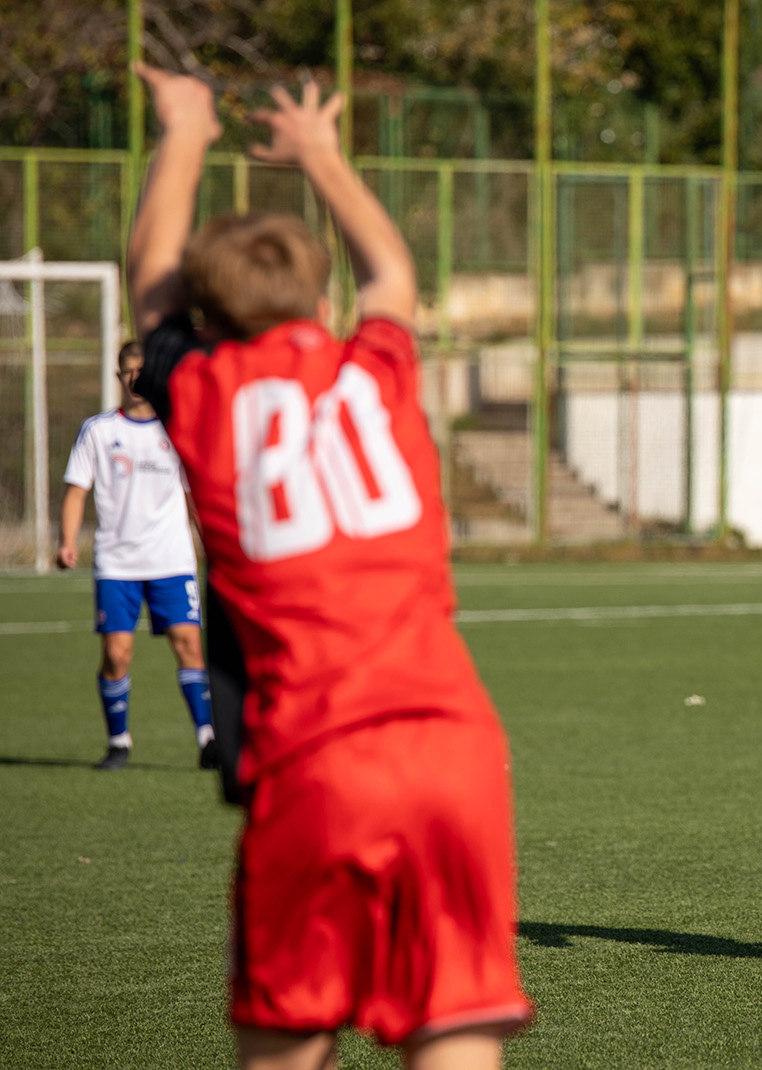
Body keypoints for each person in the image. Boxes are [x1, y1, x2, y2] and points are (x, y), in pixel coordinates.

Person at [124, 65, 531, 1068]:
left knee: (287, 1032)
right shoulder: (375, 373)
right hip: (452, 749)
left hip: (313, 759)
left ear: (208, 320)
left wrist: (183, 129)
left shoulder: (208, 392)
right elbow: (391, 277)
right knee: (453, 1028)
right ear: (318, 294)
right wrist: (320, 156)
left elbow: (148, 289)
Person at [57, 340, 216, 771]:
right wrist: (67, 541)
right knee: (117, 653)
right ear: (118, 377)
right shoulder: (99, 430)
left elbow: (195, 497)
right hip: (117, 562)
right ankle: (119, 742)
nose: (135, 379)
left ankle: (207, 740)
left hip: (172, 559)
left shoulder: (178, 429)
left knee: (188, 645)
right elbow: (77, 491)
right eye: (127, 371)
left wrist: (212, 547)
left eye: (141, 371)